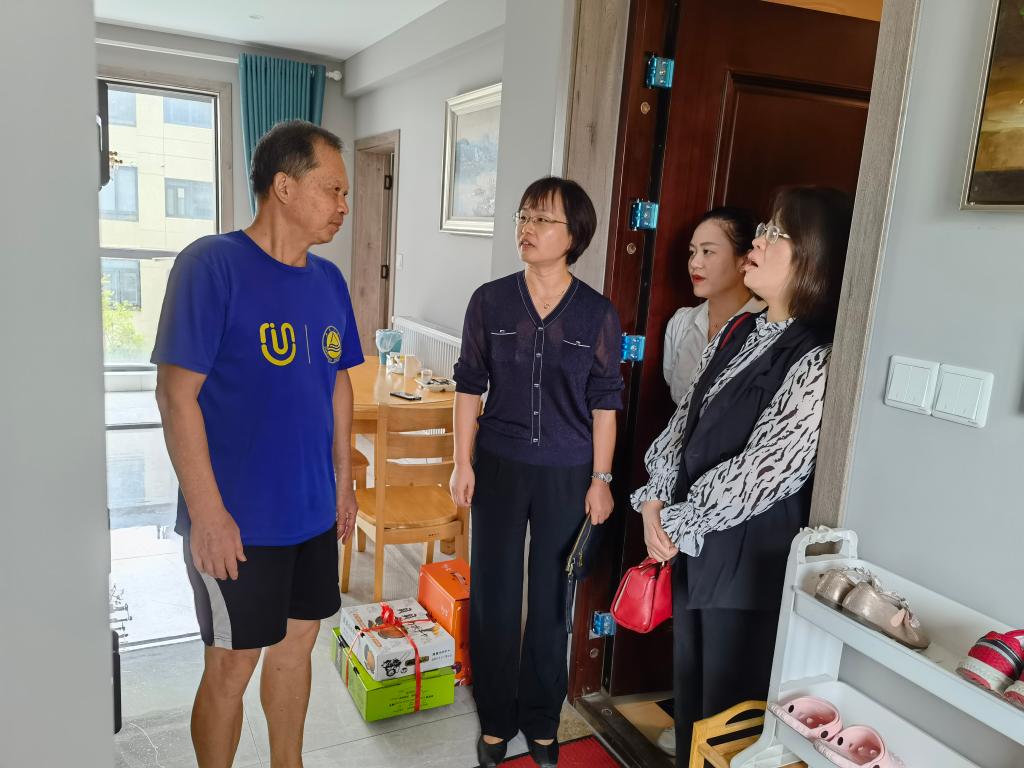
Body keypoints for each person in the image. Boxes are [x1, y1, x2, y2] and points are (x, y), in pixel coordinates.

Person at [152, 120, 363, 768]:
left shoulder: (329, 282)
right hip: (237, 521)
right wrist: (208, 514)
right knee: (231, 664)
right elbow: (176, 396)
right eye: (333, 189)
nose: (343, 206)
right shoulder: (211, 266)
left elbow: (338, 382)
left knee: (298, 646)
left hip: (310, 514)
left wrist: (344, 481)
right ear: (284, 187)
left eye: (345, 194)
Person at [631, 187, 853, 766]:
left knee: (732, 720)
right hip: (694, 549)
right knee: (694, 706)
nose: (759, 241)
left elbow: (768, 468)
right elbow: (682, 425)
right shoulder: (738, 330)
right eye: (764, 230)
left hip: (747, 565)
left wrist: (679, 519)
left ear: (813, 255)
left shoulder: (818, 356)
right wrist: (654, 500)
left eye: (776, 233)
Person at [450, 177, 625, 768]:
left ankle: (543, 721)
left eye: (543, 219)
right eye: (524, 216)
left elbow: (605, 402)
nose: (527, 228)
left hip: (567, 474)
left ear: (574, 235)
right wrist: (461, 462)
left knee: (553, 600)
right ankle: (496, 720)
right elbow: (469, 386)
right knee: (494, 597)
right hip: (498, 466)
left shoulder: (597, 313)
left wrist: (601, 479)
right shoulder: (490, 301)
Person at [662, 207, 765, 405]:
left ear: (744, 260)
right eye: (692, 252)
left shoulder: (766, 328)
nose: (694, 263)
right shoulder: (681, 323)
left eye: (707, 251)